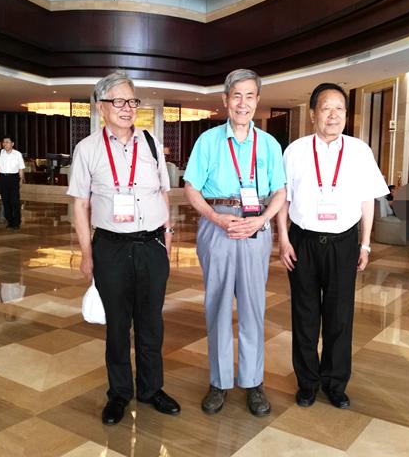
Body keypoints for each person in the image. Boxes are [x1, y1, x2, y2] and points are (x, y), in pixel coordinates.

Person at [68, 71, 180, 426]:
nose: (127, 107)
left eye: (132, 101)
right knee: (117, 326)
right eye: (118, 101)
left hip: (151, 244)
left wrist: (167, 239)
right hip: (111, 247)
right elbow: (80, 205)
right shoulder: (87, 149)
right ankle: (119, 393)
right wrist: (87, 253)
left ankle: (151, 389)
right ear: (101, 107)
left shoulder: (150, 142)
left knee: (151, 323)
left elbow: (164, 193)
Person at [277, 83, 388, 410]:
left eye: (339, 108)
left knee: (340, 317)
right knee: (305, 315)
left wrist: (365, 244)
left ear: (346, 115)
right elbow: (283, 199)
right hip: (304, 242)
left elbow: (367, 200)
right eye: (326, 108)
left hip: (343, 243)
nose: (333, 115)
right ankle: (308, 383)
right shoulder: (295, 151)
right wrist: (283, 238)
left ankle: (335, 384)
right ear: (313, 114)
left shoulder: (360, 151)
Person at [183, 69, 286, 417]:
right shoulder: (208, 141)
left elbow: (280, 191)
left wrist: (262, 219)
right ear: (226, 100)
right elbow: (191, 189)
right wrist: (215, 217)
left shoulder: (269, 144)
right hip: (218, 226)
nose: (243, 103)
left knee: (254, 306)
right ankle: (219, 380)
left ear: (257, 101)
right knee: (217, 305)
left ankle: (253, 381)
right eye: (236, 96)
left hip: (256, 225)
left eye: (250, 96)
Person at [0, 137, 25, 230]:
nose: (4, 144)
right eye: (3, 142)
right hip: (2, 178)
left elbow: (21, 168)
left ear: (12, 144)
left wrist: (21, 180)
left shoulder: (17, 154)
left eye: (7, 142)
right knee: (5, 201)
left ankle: (16, 222)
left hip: (14, 178)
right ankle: (9, 221)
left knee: (15, 201)